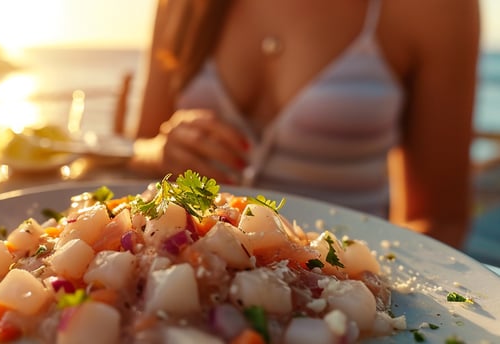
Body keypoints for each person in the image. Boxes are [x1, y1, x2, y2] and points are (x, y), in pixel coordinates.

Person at [128, 0, 480, 249]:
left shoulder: (436, 8)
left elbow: (440, 220)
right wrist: (162, 151)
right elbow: (137, 149)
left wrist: (369, 293)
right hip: (187, 273)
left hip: (340, 298)